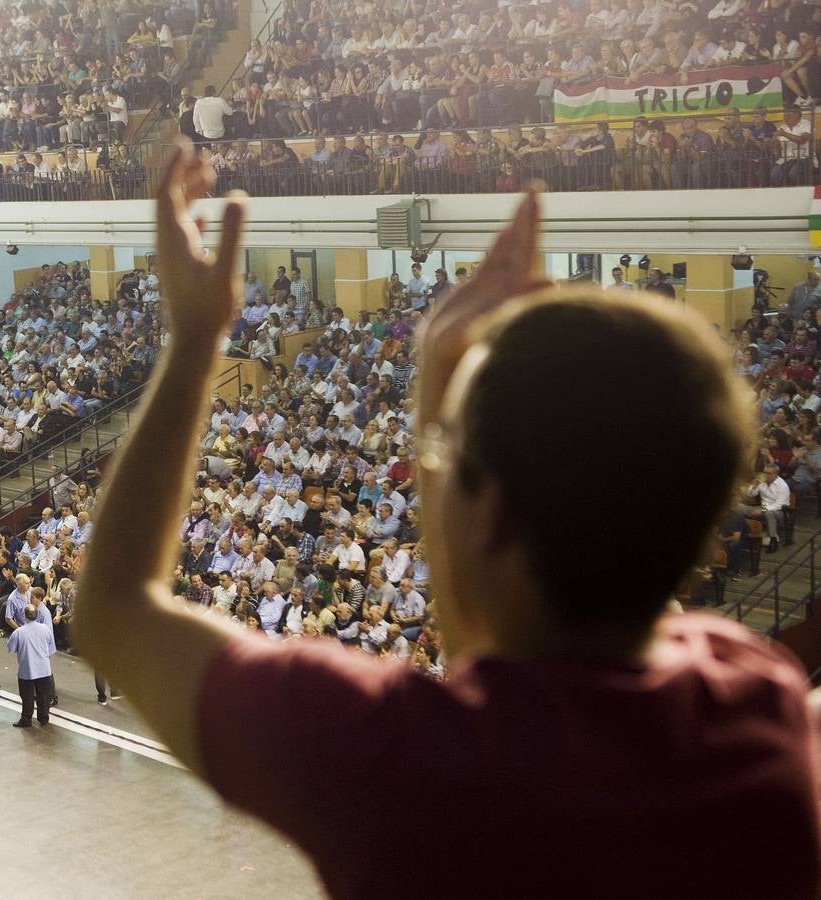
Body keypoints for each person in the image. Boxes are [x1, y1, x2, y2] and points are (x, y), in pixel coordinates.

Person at [73, 142, 820, 897]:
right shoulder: (757, 698)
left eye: (443, 451)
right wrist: (439, 378)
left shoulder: (391, 759)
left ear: (487, 512)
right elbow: (497, 664)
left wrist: (195, 338)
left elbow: (113, 609)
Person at [5, 604, 56, 727]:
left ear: (24, 616)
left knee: (27, 697)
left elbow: (11, 648)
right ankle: (44, 718)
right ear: (36, 616)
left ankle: (26, 719)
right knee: (44, 696)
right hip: (44, 669)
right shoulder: (45, 629)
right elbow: (51, 647)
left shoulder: (19, 632)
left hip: (27, 670)